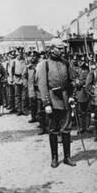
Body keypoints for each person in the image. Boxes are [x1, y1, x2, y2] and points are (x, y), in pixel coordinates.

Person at [37, 38, 76, 168]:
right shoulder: (45, 64)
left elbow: (72, 81)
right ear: (52, 48)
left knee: (66, 129)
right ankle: (54, 158)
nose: (61, 50)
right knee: (53, 129)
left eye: (62, 48)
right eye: (59, 48)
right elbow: (42, 85)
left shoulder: (65, 62)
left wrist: (71, 96)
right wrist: (46, 103)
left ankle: (67, 157)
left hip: (65, 99)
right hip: (53, 100)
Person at [86, 56, 97, 141]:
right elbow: (88, 86)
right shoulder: (92, 72)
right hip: (96, 98)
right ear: (96, 62)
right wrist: (95, 92)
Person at [13, 48, 28, 115]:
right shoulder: (14, 61)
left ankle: (24, 109)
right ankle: (19, 109)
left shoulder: (25, 60)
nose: (20, 54)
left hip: (24, 79)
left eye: (22, 53)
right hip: (17, 79)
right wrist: (13, 79)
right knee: (17, 95)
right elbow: (11, 70)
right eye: (19, 53)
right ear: (17, 53)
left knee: (24, 96)